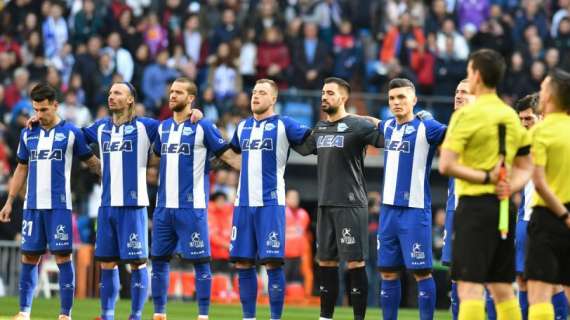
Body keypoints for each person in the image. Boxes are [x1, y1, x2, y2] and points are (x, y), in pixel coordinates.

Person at [439, 48, 533, 320]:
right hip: (504, 210)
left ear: (477, 76)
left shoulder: (465, 116)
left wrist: (485, 178)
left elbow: (446, 165)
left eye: (469, 71)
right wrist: (511, 185)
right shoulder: (509, 116)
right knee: (503, 288)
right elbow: (527, 165)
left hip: (474, 208)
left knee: (469, 288)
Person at [0, 83, 100, 320]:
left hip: (59, 207)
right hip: (32, 207)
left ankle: (65, 314)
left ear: (56, 105)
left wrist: (109, 176)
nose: (40, 115)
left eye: (44, 109)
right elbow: (21, 169)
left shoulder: (71, 133)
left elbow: (91, 161)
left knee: (63, 257)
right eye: (36, 109)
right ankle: (24, 312)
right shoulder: (29, 133)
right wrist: (10, 201)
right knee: (29, 258)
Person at [148, 77, 240, 320]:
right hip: (163, 207)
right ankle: (159, 313)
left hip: (192, 208)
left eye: (178, 92)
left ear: (191, 99)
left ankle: (203, 315)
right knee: (158, 260)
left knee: (200, 262)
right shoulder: (163, 127)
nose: (172, 95)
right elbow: (155, 158)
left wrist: (252, 168)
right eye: (171, 92)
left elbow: (228, 156)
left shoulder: (204, 126)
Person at [294, 77, 384, 320]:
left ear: (343, 98)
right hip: (325, 204)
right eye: (323, 93)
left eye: (330, 93)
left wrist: (378, 122)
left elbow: (386, 139)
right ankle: (326, 317)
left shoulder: (357, 124)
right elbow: (302, 147)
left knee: (355, 263)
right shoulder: (320, 128)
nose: (324, 96)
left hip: (351, 204)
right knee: (325, 262)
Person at [228, 78, 311, 320]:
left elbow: (311, 141)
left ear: (273, 98)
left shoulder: (285, 124)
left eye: (262, 92)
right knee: (243, 263)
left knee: (273, 263)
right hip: (242, 204)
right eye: (254, 92)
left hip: (271, 203)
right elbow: (230, 155)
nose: (256, 96)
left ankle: (275, 318)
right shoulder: (242, 127)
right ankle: (249, 317)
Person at [82, 82, 159, 320]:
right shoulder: (101, 127)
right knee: (107, 262)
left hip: (133, 206)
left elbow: (175, 127)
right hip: (106, 206)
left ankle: (135, 316)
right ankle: (107, 315)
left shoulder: (147, 126)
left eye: (117, 93)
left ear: (130, 100)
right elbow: (72, 138)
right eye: (110, 93)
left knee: (137, 262)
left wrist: (193, 114)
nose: (111, 96)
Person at [375, 78, 447, 320]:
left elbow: (452, 136)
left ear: (414, 100)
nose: (396, 102)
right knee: (387, 272)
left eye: (402, 97)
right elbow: (373, 123)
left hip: (415, 211)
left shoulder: (426, 127)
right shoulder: (387, 127)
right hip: (387, 211)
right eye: (392, 98)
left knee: (422, 272)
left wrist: (431, 119)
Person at [514, 93, 569, 320]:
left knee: (551, 283)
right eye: (521, 120)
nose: (524, 124)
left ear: (542, 116)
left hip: (550, 216)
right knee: (523, 279)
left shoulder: (550, 138)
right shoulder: (521, 142)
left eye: (529, 119)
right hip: (525, 217)